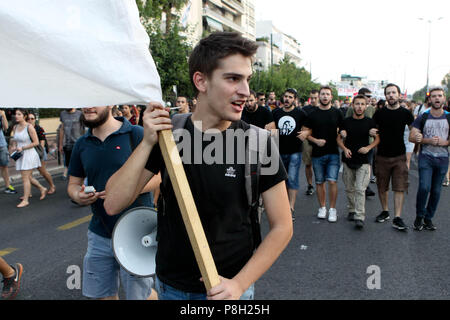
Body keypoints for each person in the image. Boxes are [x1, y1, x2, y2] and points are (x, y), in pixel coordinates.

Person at [104, 31, 292, 300]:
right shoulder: (169, 135)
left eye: (247, 79)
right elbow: (112, 203)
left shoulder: (259, 143)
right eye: (233, 79)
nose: (246, 91)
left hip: (230, 289)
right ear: (201, 81)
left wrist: (239, 284)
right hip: (172, 287)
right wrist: (147, 143)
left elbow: (283, 226)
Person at [67, 106, 157, 300]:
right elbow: (73, 184)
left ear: (109, 102)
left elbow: (159, 177)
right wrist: (78, 195)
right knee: (102, 295)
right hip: (99, 232)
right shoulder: (82, 143)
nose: (88, 106)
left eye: (95, 100)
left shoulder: (136, 133)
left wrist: (124, 191)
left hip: (137, 234)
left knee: (141, 295)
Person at [372, 83, 414, 231]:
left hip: (400, 156)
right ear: (385, 96)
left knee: (399, 187)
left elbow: (413, 131)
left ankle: (397, 217)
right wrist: (372, 131)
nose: (391, 95)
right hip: (382, 156)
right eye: (388, 93)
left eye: (393, 93)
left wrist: (416, 141)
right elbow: (372, 128)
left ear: (399, 95)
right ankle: (385, 211)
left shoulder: (406, 113)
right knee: (382, 187)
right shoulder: (379, 113)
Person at [409, 87, 449, 231]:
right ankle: (419, 216)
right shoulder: (423, 117)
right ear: (429, 99)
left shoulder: (449, 117)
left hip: (443, 159)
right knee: (425, 187)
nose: (437, 98)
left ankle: (428, 218)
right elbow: (412, 137)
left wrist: (445, 142)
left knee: (436, 190)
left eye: (439, 96)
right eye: (434, 96)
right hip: (426, 158)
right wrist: (424, 140)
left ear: (444, 98)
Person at [337, 95, 380, 229]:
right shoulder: (346, 121)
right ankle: (351, 209)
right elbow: (338, 139)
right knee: (349, 188)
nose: (359, 107)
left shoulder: (370, 122)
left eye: (362, 104)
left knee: (360, 189)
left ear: (366, 106)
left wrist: (368, 148)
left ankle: (359, 216)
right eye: (357, 104)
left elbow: (377, 139)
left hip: (364, 161)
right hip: (348, 159)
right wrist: (344, 148)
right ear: (352, 105)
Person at [303, 86, 344, 222]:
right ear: (319, 96)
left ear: (331, 97)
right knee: (320, 182)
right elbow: (305, 133)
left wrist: (343, 133)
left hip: (333, 152)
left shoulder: (337, 113)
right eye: (323, 94)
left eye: (327, 94)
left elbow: (344, 128)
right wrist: (316, 141)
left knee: (332, 181)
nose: (325, 96)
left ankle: (332, 209)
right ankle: (322, 207)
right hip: (317, 153)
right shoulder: (313, 114)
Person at [272, 88, 308, 219]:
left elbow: (308, 129)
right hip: (279, 151)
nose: (287, 99)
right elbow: (271, 130)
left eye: (290, 97)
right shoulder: (275, 112)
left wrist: (306, 133)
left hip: (295, 151)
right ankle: (281, 206)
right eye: (285, 96)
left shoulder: (301, 114)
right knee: (280, 180)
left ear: (294, 100)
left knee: (292, 179)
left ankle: (290, 207)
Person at [11, 109, 48, 208]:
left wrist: (22, 147)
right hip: (20, 154)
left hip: (30, 154)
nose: (16, 116)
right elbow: (15, 139)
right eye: (16, 114)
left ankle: (26, 200)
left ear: (24, 116)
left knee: (25, 177)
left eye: (19, 114)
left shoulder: (29, 127)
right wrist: (14, 146)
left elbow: (36, 142)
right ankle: (42, 188)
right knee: (28, 177)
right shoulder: (15, 127)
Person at [27, 112, 56, 195]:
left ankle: (52, 186)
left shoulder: (39, 129)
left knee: (43, 172)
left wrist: (40, 154)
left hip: (39, 153)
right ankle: (28, 192)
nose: (30, 120)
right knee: (28, 175)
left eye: (32, 118)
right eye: (28, 119)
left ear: (35, 119)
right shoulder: (25, 129)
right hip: (29, 153)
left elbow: (42, 143)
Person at [301, 89, 320, 196]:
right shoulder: (305, 109)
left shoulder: (322, 109)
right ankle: (310, 185)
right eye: (311, 98)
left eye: (315, 98)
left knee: (319, 164)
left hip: (320, 140)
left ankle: (319, 183)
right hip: (308, 140)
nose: (313, 100)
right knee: (308, 164)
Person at [59, 108, 84, 180]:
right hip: (68, 143)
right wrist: (60, 144)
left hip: (78, 142)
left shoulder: (80, 114)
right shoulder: (63, 114)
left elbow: (84, 128)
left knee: (80, 162)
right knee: (68, 160)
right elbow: (62, 129)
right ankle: (67, 173)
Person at [0, 109, 17, 194]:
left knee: (4, 166)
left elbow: (6, 127)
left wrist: (3, 115)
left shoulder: (1, 113)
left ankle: (7, 186)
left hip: (2, 144)